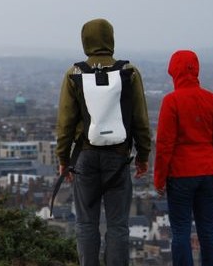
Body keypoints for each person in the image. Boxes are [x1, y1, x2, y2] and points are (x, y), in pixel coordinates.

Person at [55, 18, 151, 266]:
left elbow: (65, 124)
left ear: (85, 40)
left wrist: (63, 159)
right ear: (111, 38)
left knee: (86, 223)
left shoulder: (74, 73)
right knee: (118, 224)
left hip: (85, 156)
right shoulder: (129, 71)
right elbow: (140, 119)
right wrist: (142, 156)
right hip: (118, 157)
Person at [154, 50, 213, 266]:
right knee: (208, 229)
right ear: (196, 69)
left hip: (181, 174)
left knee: (180, 230)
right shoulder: (212, 99)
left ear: (173, 71)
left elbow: (164, 144)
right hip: (210, 171)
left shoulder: (171, 101)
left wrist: (159, 179)